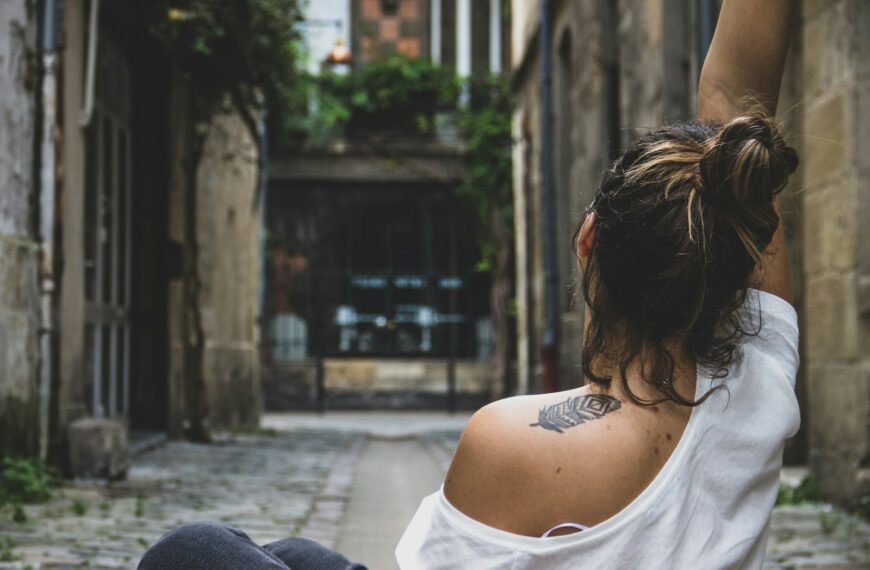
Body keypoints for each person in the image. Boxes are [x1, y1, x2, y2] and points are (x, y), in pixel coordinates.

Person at [139, 0, 800, 568]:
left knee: (197, 550)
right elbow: (739, 99)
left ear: (586, 243)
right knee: (296, 557)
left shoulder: (510, 439)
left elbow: (738, 97)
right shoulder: (756, 389)